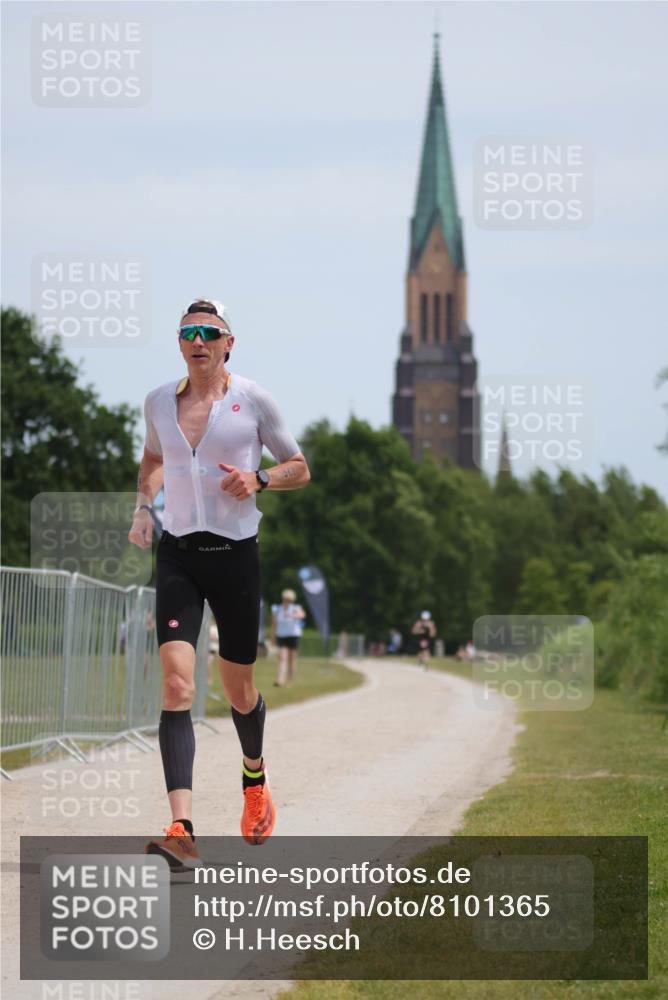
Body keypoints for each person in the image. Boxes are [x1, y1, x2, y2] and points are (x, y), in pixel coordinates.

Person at [128, 297, 310, 868]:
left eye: (209, 332)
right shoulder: (159, 402)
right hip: (178, 555)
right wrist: (143, 506)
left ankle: (254, 777)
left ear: (229, 343)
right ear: (179, 343)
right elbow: (153, 459)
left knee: (238, 690)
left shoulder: (253, 399)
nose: (198, 342)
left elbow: (300, 467)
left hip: (235, 557)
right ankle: (181, 829)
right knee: (176, 686)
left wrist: (260, 479)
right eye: (188, 333)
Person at [271, 589, 306, 687]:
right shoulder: (277, 609)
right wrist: (273, 637)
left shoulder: (295, 608)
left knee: (292, 659)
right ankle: (280, 679)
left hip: (293, 635)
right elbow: (274, 624)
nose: (287, 601)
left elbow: (302, 615)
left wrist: (292, 615)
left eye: (290, 600)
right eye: (286, 599)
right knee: (282, 657)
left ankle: (290, 680)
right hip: (281, 635)